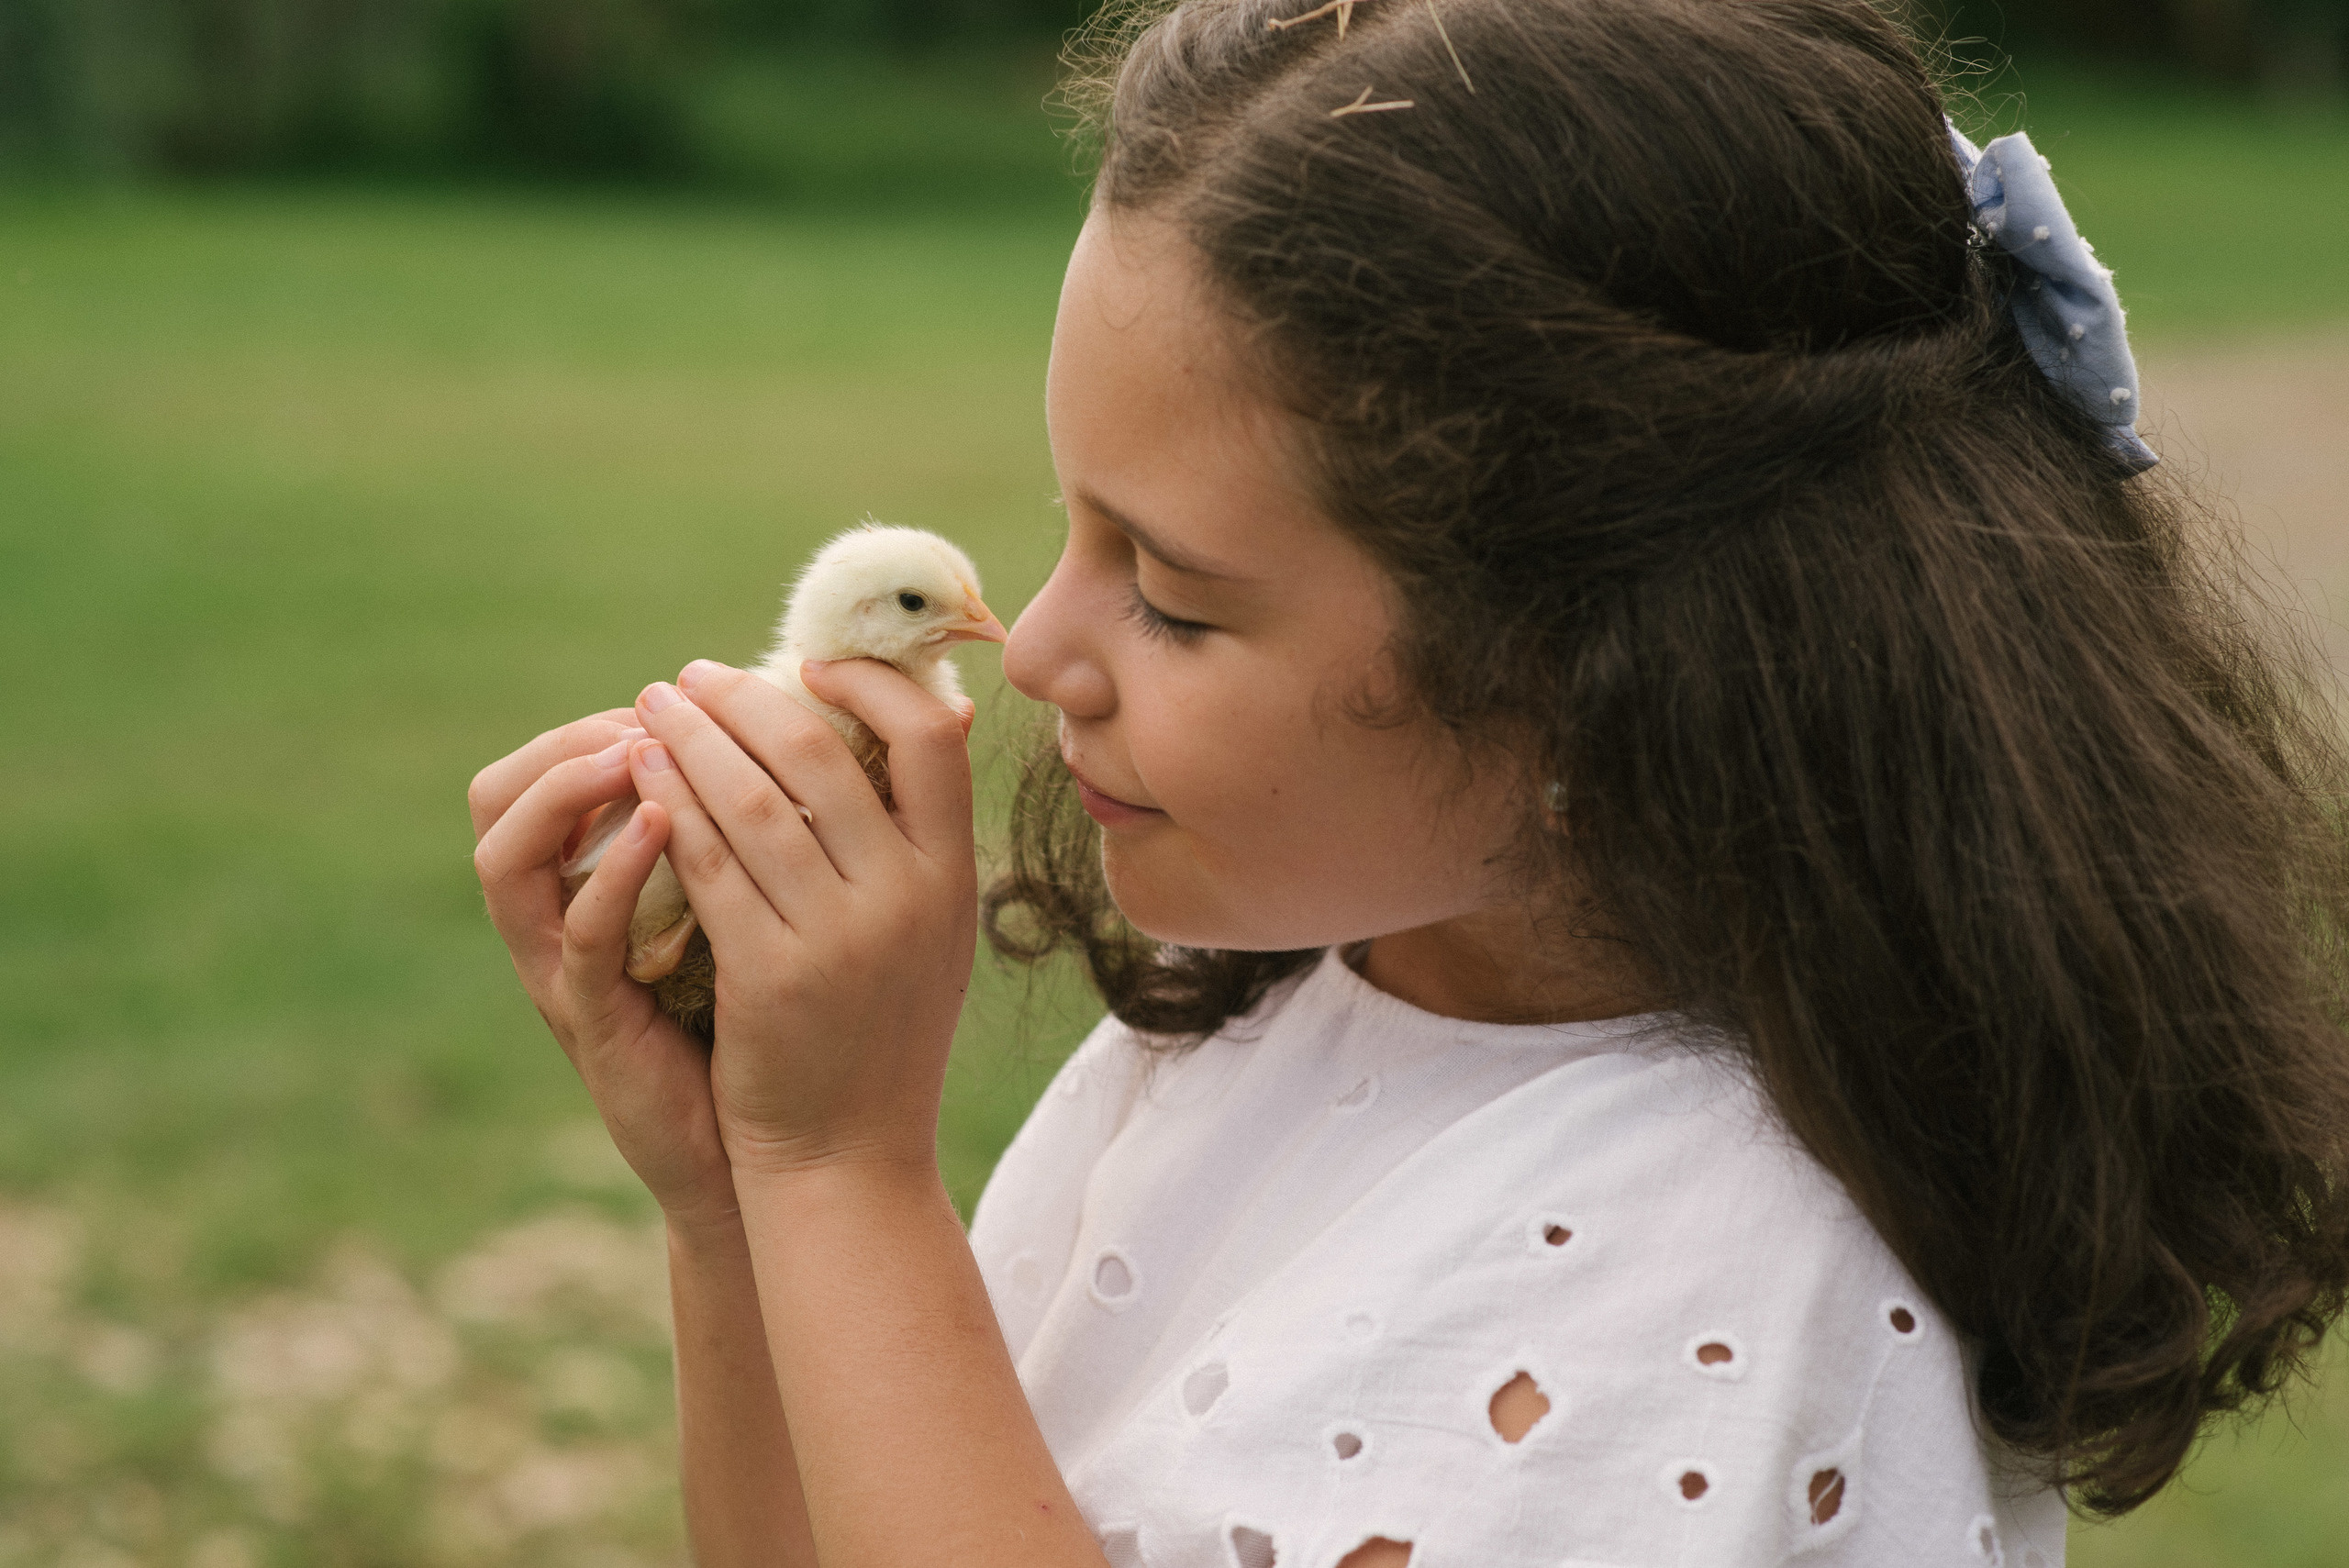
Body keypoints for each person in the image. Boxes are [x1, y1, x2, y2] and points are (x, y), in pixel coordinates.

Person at [464, 0, 2349, 1562]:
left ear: (1594, 689)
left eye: (1173, 599)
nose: (1034, 651)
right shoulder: (1316, 1006)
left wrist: (844, 1174)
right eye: (1070, 531)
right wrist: (742, 1199)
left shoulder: (1690, 1287)